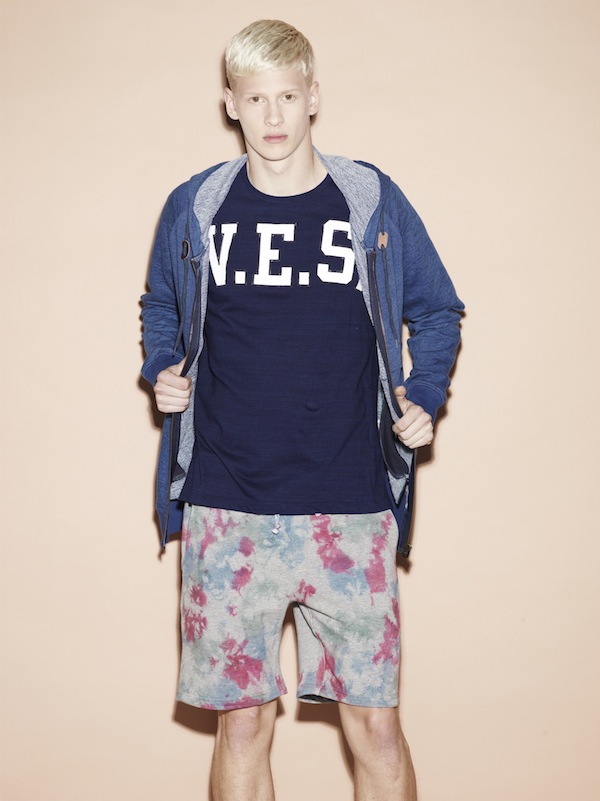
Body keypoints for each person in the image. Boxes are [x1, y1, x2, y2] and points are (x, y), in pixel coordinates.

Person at [141, 19, 463, 801]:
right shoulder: (198, 206)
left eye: (287, 96)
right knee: (243, 725)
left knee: (375, 726)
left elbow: (438, 309)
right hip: (226, 504)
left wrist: (422, 394)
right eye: (256, 99)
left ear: (314, 96)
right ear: (231, 103)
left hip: (350, 503)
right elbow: (161, 306)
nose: (273, 115)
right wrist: (163, 368)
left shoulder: (369, 200)